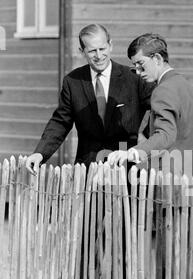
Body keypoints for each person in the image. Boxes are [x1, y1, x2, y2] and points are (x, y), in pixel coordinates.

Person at [25, 24, 154, 175]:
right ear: (82, 51)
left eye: (102, 49)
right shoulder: (72, 81)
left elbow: (158, 108)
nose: (99, 56)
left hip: (127, 169)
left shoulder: (133, 78)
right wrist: (40, 153)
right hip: (87, 170)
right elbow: (61, 121)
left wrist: (145, 137)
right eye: (92, 51)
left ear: (110, 45)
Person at [107, 33, 193, 178]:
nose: (138, 72)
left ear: (157, 58)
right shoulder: (191, 90)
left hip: (171, 183)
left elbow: (165, 134)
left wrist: (133, 152)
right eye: (135, 67)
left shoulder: (163, 90)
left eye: (141, 65)